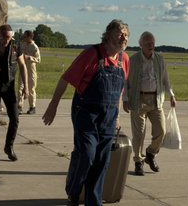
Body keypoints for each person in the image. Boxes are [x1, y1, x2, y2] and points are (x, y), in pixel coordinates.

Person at [42, 19, 130, 206]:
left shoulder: (124, 60)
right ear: (108, 35)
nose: (123, 37)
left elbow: (120, 90)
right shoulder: (92, 54)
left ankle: (93, 202)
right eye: (119, 33)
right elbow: (65, 79)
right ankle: (73, 193)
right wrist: (53, 106)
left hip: (109, 117)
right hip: (86, 113)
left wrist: (117, 116)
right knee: (86, 155)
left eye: (126, 35)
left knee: (101, 161)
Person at [122, 31, 176, 176]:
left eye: (153, 43)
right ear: (141, 44)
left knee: (161, 131)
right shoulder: (132, 60)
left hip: (156, 100)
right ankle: (138, 162)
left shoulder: (159, 59)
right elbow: (125, 82)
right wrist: (125, 99)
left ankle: (151, 154)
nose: (151, 46)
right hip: (138, 100)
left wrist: (171, 94)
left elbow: (165, 80)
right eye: (148, 43)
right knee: (139, 134)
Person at [0, 24, 28, 163]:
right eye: (4, 38)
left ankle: (9, 147)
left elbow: (22, 65)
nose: (6, 40)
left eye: (9, 37)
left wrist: (26, 87)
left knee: (15, 118)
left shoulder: (15, 46)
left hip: (9, 86)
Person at [17, 30, 41, 114]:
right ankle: (19, 106)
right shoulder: (21, 44)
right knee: (20, 87)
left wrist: (29, 57)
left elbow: (38, 59)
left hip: (31, 70)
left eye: (25, 36)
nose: (23, 38)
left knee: (31, 88)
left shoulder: (34, 47)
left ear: (29, 37)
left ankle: (32, 107)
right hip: (22, 68)